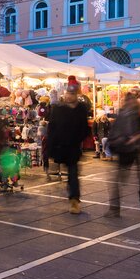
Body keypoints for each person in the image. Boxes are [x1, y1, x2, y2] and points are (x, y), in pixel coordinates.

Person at [45, 77, 92, 214]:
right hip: (60, 146)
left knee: (73, 174)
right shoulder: (58, 108)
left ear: (76, 94)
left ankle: (74, 200)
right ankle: (72, 195)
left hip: (73, 147)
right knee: (68, 173)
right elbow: (52, 128)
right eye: (68, 93)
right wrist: (51, 147)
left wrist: (78, 140)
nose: (69, 96)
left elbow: (84, 128)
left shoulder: (81, 109)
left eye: (72, 94)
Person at [105, 90, 140, 217]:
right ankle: (116, 209)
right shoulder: (126, 115)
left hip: (134, 150)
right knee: (120, 180)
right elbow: (115, 131)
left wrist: (134, 139)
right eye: (128, 100)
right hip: (126, 150)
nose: (129, 102)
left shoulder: (137, 115)